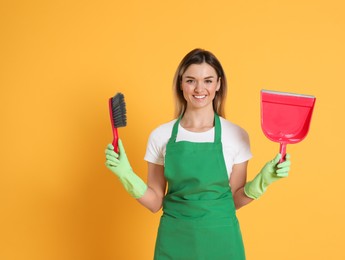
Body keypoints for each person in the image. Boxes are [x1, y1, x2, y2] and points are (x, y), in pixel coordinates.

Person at [105, 48, 291, 260]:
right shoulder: (161, 135)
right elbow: (155, 202)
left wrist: (263, 181)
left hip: (222, 239)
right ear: (181, 84)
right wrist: (125, 175)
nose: (199, 88)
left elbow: (233, 200)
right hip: (174, 239)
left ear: (218, 84)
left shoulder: (236, 135)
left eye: (208, 81)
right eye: (191, 80)